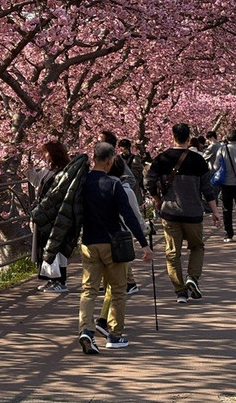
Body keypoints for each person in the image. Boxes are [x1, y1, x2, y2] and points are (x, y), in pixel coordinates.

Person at [77, 142, 153, 354]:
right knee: (118, 290)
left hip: (89, 244)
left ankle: (86, 330)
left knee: (88, 290)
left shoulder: (82, 182)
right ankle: (115, 335)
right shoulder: (113, 184)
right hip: (112, 243)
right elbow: (128, 216)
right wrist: (144, 244)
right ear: (110, 161)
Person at [146, 123, 222, 304]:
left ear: (172, 137)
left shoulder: (161, 158)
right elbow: (207, 189)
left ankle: (180, 292)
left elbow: (149, 183)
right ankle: (192, 278)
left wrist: (158, 200)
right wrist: (215, 211)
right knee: (197, 247)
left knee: (173, 254)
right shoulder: (197, 160)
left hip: (170, 214)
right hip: (193, 213)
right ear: (189, 139)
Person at [96, 151, 147, 334]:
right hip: (122, 241)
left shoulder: (95, 187)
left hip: (98, 239)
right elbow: (135, 216)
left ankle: (101, 319)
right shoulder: (126, 191)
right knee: (117, 285)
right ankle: (107, 323)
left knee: (108, 283)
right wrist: (144, 235)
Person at [27, 140, 71, 292]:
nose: (44, 156)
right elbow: (35, 182)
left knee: (55, 247)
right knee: (45, 247)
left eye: (46, 153)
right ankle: (50, 279)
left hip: (56, 215)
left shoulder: (64, 171)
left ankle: (59, 280)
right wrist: (30, 169)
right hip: (44, 214)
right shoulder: (47, 170)